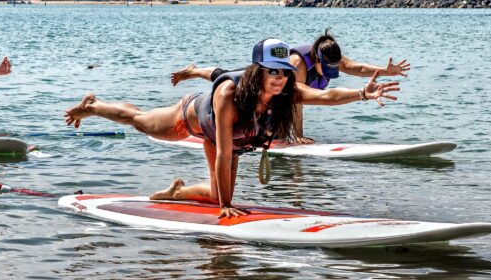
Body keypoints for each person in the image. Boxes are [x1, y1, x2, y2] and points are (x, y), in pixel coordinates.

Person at [64, 38, 400, 218]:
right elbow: (225, 151)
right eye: (273, 72)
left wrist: (362, 93)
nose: (280, 78)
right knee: (142, 123)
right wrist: (227, 206)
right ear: (259, 71)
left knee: (214, 194)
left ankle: (175, 193)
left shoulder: (286, 90)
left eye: (283, 72)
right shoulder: (230, 93)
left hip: (230, 141)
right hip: (192, 118)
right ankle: (94, 106)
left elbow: (326, 96)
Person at [170, 30, 410, 141]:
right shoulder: (298, 65)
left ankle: (194, 70)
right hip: (254, 81)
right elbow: (296, 104)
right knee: (222, 75)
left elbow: (357, 68)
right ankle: (193, 71)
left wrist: (385, 70)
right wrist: (298, 137)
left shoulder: (331, 55)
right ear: (316, 59)